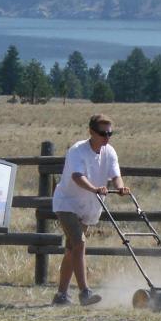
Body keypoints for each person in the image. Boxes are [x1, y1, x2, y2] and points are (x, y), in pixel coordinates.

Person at [50, 113, 130, 306]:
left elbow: (115, 174)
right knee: (79, 244)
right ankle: (85, 293)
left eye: (110, 133)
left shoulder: (109, 152)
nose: (107, 137)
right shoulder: (77, 150)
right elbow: (77, 176)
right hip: (68, 203)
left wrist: (120, 187)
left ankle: (61, 295)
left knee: (71, 250)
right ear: (91, 132)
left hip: (88, 207)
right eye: (103, 133)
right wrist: (95, 188)